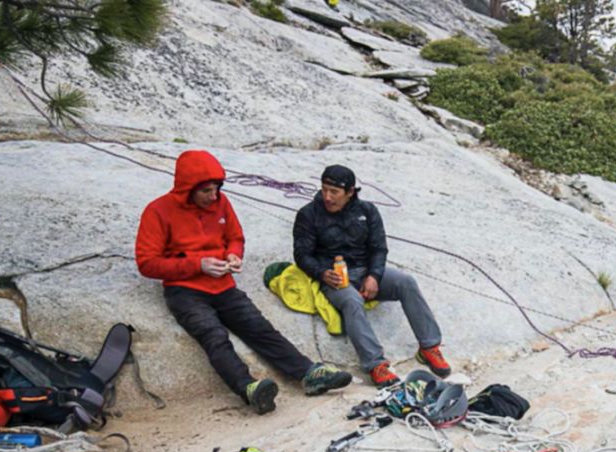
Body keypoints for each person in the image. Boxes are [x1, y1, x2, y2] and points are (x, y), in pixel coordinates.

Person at [135, 150, 352, 414]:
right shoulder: (159, 211)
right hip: (185, 291)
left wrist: (233, 255)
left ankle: (308, 373)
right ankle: (248, 388)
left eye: (216, 189)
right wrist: (197, 264)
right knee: (214, 336)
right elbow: (146, 263)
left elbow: (235, 237)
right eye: (206, 191)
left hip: (223, 285)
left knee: (259, 328)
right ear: (187, 188)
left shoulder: (221, 203)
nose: (213, 196)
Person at [293, 165, 450, 387]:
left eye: (334, 192)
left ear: (350, 192)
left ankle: (429, 346)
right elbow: (301, 254)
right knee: (351, 300)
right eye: (324, 190)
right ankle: (375, 364)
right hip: (334, 277)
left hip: (366, 270)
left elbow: (379, 248)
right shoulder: (308, 214)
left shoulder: (367, 211)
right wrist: (321, 273)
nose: (327, 197)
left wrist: (374, 276)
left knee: (406, 282)